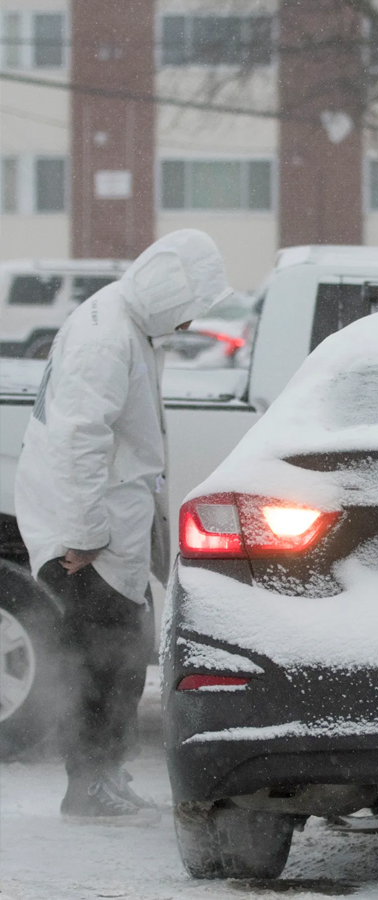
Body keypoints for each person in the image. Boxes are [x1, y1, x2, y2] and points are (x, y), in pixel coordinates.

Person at [14, 230, 232, 823]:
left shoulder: (122, 322)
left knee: (122, 658)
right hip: (89, 537)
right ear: (169, 293)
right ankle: (87, 787)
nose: (190, 324)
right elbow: (79, 441)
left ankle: (106, 772)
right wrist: (83, 537)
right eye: (190, 309)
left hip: (108, 526)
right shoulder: (106, 338)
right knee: (98, 662)